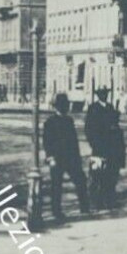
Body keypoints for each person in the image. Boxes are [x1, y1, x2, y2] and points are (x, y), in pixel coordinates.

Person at [42, 93, 91, 223]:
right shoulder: (50, 122)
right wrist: (50, 157)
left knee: (81, 181)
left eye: (67, 105)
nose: (66, 107)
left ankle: (84, 207)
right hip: (57, 158)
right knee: (56, 185)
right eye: (64, 105)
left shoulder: (69, 120)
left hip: (71, 157)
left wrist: (78, 156)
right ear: (58, 107)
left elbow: (74, 141)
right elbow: (47, 142)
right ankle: (56, 211)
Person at [85, 86, 126, 210]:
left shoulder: (110, 107)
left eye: (106, 93)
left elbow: (114, 127)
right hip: (99, 147)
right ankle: (97, 201)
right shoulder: (93, 108)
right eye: (102, 94)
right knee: (97, 175)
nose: (104, 96)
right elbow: (89, 128)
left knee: (110, 176)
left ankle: (109, 200)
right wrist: (93, 143)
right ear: (98, 95)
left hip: (111, 148)